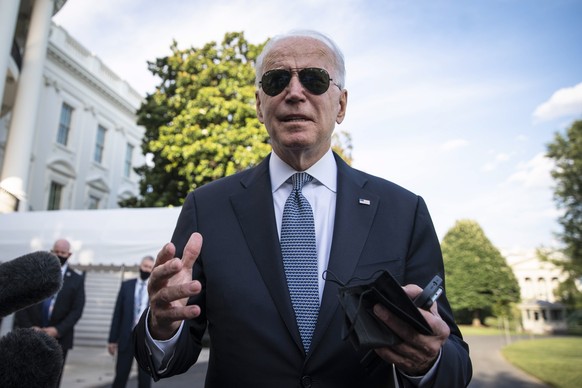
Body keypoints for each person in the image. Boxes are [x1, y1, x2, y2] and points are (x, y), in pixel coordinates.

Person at [133, 29, 472, 387]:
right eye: (277, 80)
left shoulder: (403, 211)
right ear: (259, 105)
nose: (295, 93)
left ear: (340, 105)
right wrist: (161, 325)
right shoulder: (207, 207)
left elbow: (453, 362)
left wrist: (427, 361)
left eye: (314, 79)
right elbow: (172, 352)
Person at [14, 238, 85, 386]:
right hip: (30, 336)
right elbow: (21, 301)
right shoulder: (35, 273)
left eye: (63, 253)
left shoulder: (77, 279)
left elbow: (77, 310)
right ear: (51, 252)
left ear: (69, 254)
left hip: (59, 339)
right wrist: (29, 327)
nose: (59, 255)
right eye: (56, 252)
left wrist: (58, 330)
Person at [108, 255, 155, 388]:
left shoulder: (155, 289)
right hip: (126, 338)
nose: (146, 269)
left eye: (150, 267)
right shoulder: (126, 285)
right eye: (145, 266)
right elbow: (117, 314)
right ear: (140, 266)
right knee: (120, 377)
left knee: (145, 380)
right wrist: (112, 339)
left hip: (146, 341)